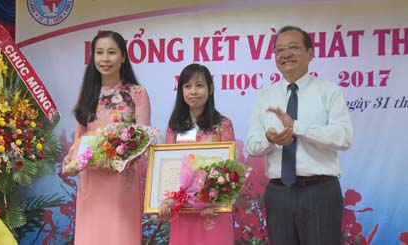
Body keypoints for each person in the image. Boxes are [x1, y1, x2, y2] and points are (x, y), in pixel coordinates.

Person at [246, 25, 353, 245]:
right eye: (279, 50)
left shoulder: (329, 92)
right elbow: (252, 146)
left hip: (320, 191)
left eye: (293, 47)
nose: (285, 54)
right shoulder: (265, 96)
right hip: (278, 193)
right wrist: (269, 139)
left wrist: (298, 127)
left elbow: (343, 137)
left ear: (310, 53)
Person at [63, 30, 151, 245]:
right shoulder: (87, 95)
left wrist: (118, 159)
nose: (105, 58)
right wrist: (71, 159)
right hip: (92, 184)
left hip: (122, 182)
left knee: (121, 237)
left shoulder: (137, 93)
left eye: (111, 52)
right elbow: (79, 139)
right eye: (99, 52)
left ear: (122, 56)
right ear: (93, 57)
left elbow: (144, 139)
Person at [159, 63, 236, 245]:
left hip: (212, 210)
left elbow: (231, 170)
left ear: (211, 89)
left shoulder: (223, 125)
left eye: (199, 85)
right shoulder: (174, 127)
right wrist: (167, 200)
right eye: (188, 86)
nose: (193, 91)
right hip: (183, 209)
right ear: (181, 91)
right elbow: (168, 169)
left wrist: (216, 201)